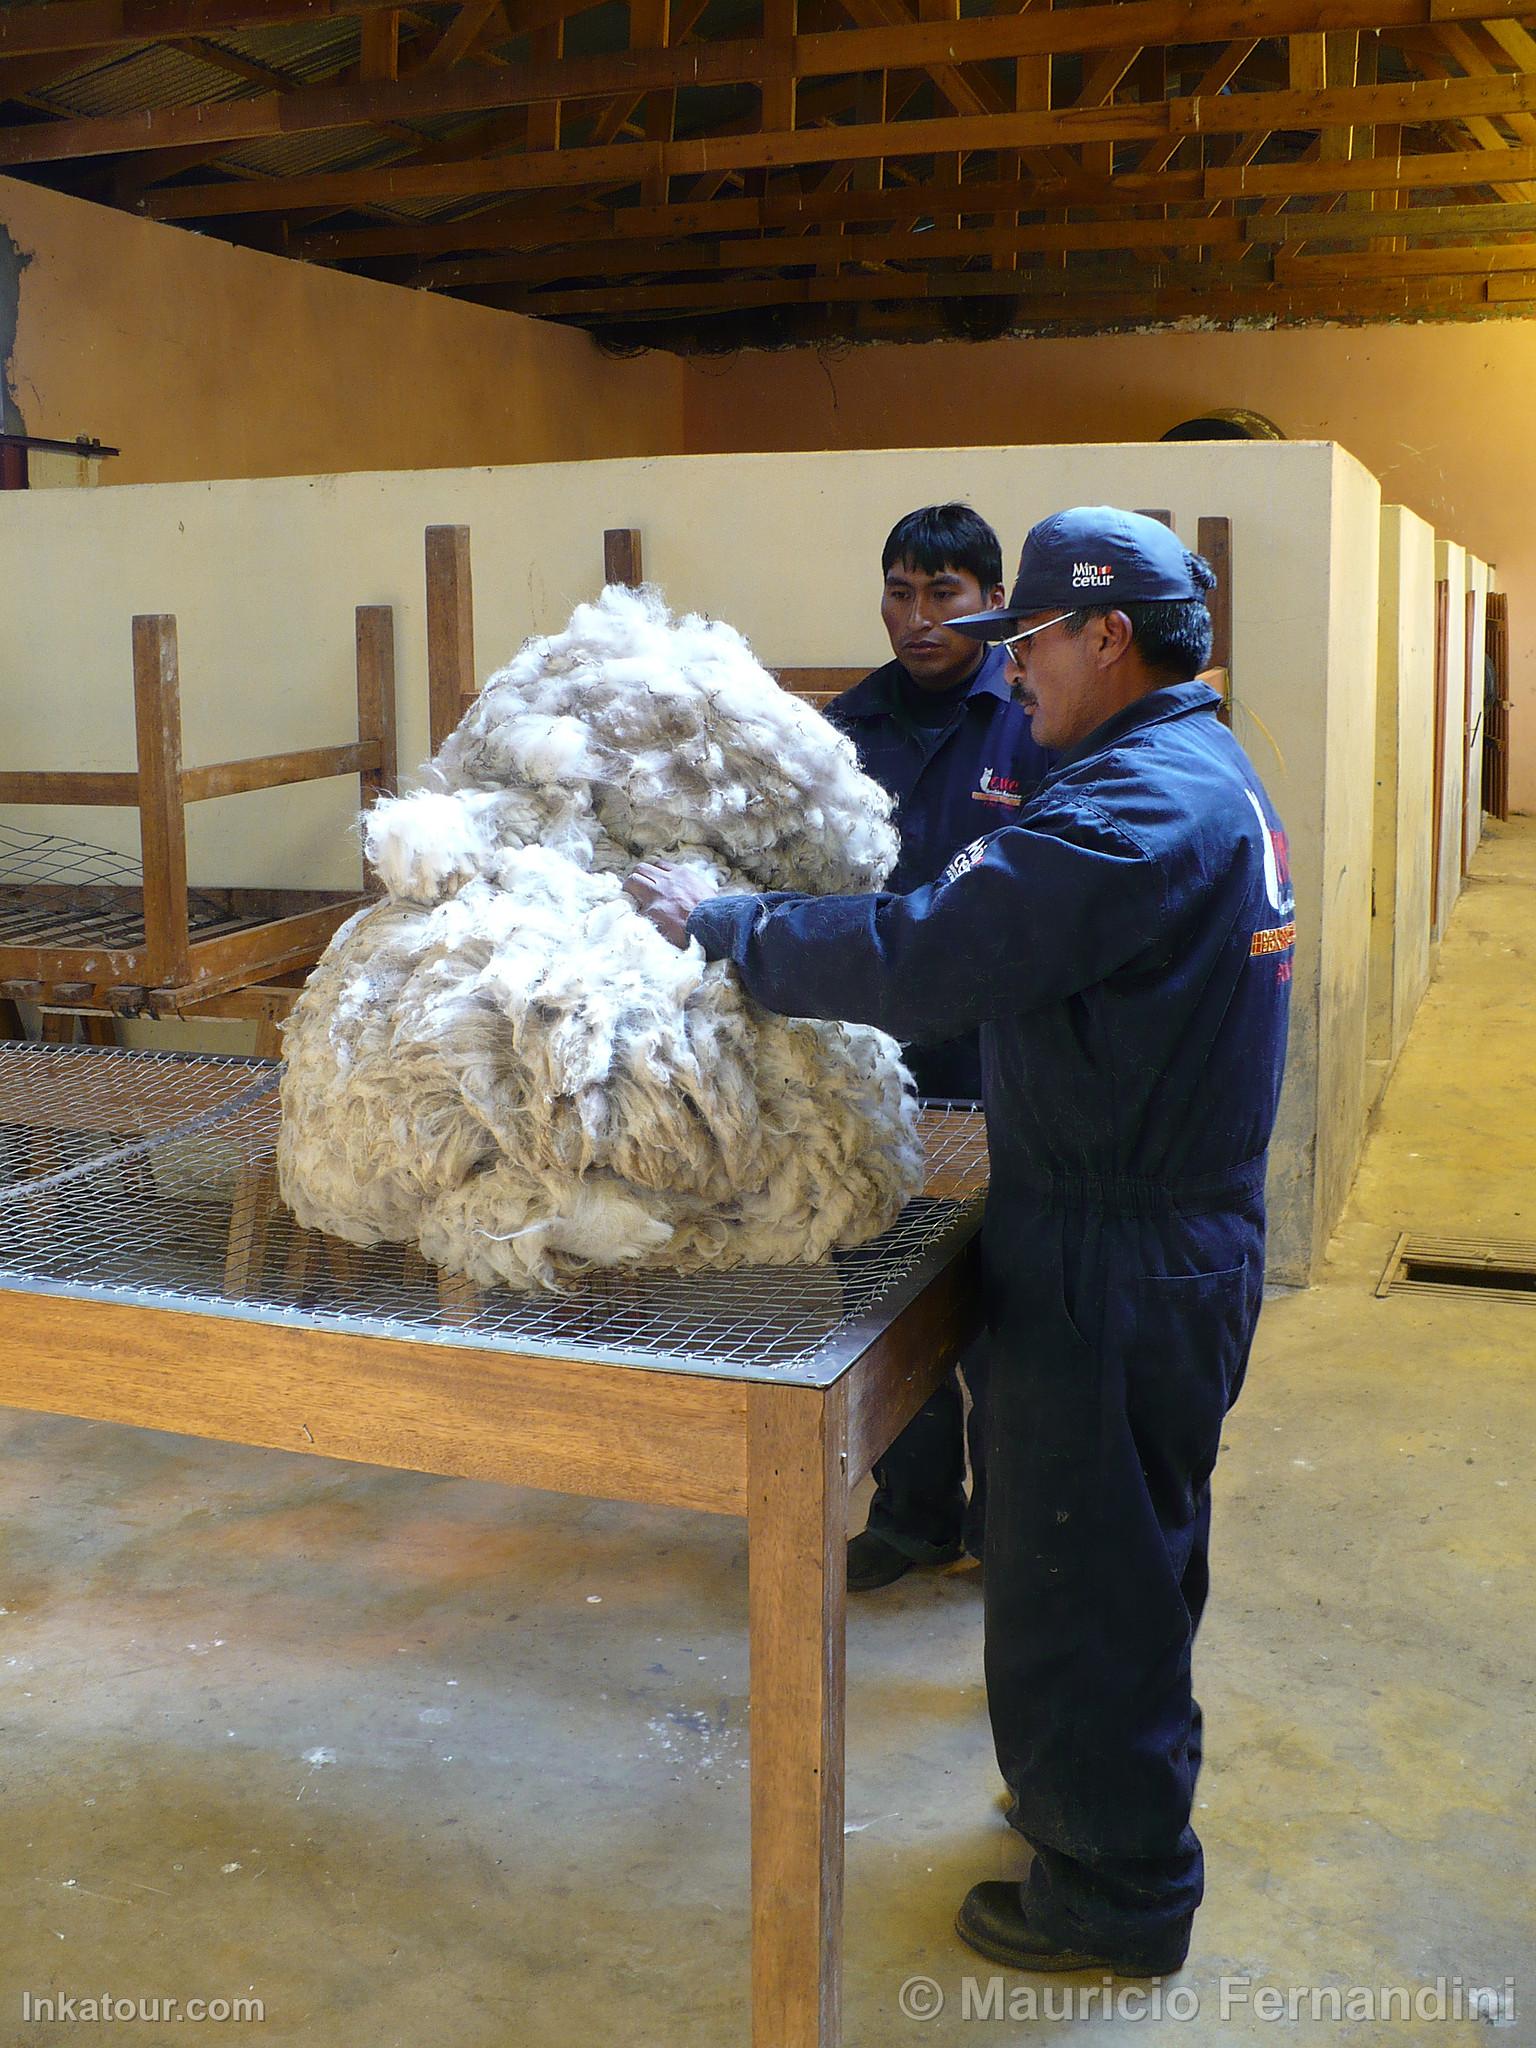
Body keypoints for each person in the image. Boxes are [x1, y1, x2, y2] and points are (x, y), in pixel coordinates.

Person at [624, 507, 1292, 1978]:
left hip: (1114, 1251)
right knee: (1129, 1556)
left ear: (1101, 635)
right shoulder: (1197, 772)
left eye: (1028, 640)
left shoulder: (1126, 816)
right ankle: (1094, 1804)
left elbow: (928, 954)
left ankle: (1112, 1898)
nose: (1015, 674)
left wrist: (724, 922)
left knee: (1079, 1572)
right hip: (1158, 1226)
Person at [828, 503, 1053, 1592]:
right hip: (874, 1059)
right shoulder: (847, 723)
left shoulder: (1032, 715)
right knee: (878, 1289)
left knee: (1001, 1306)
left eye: (943, 594)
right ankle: (914, 1512)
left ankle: (1009, 1536)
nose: (915, 618)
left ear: (991, 596)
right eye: (899, 592)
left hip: (997, 1059)